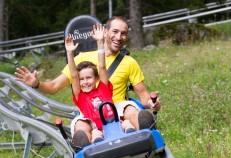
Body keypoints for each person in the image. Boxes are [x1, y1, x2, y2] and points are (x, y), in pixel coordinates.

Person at [15, 16, 161, 146]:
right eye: (115, 31)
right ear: (105, 32)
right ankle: (87, 143)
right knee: (81, 125)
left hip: (117, 107)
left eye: (123, 33)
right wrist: (36, 84)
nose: (119, 37)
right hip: (89, 111)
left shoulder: (129, 62)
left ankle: (143, 133)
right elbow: (54, 86)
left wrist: (152, 103)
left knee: (130, 109)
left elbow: (143, 96)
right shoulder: (82, 59)